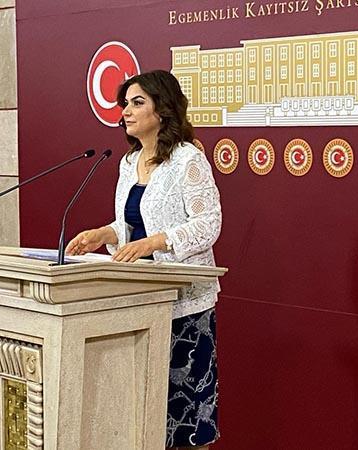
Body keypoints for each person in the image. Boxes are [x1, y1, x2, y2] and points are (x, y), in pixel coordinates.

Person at [65, 70, 222, 450]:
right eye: (125, 104)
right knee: (143, 408)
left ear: (162, 109)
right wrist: (103, 234)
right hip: (139, 299)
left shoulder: (187, 159)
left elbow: (208, 224)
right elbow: (131, 224)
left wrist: (156, 242)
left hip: (183, 302)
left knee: (186, 415)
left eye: (137, 103)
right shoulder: (129, 161)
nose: (126, 112)